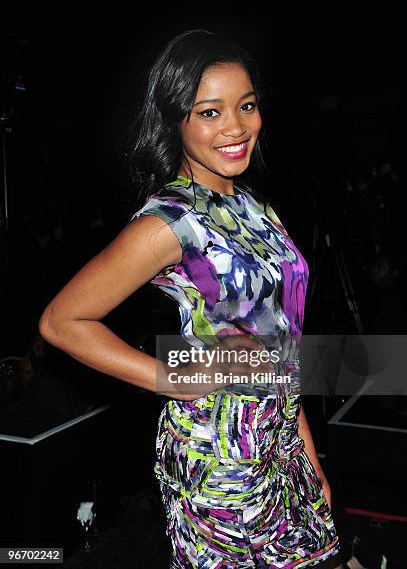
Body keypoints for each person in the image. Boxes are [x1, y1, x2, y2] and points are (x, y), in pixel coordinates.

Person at [39, 29, 344, 567]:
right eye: (209, 112)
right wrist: (170, 377)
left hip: (280, 440)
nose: (235, 127)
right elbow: (63, 321)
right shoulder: (170, 222)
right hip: (220, 456)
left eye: (246, 106)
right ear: (175, 119)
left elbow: (279, 343)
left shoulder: (256, 209)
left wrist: (306, 449)